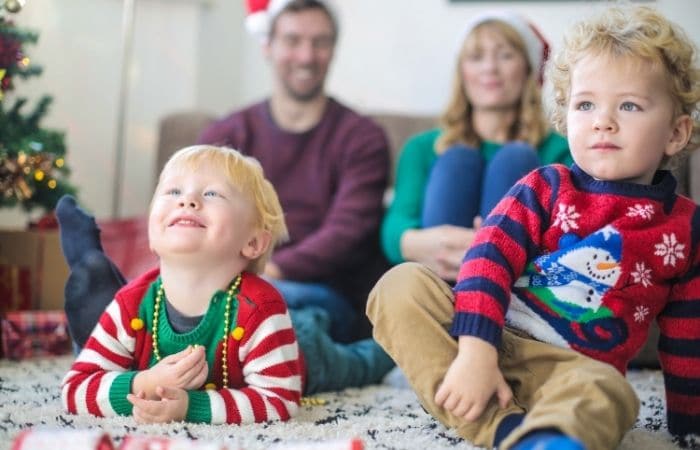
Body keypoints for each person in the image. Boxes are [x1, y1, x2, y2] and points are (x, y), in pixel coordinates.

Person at [367, 5, 700, 450]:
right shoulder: (545, 185)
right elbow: (487, 257)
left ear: (677, 133)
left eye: (629, 105)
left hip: (572, 369)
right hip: (486, 335)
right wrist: (476, 350)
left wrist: (688, 425)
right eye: (586, 104)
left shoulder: (685, 228)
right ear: (567, 117)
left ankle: (528, 436)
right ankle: (502, 422)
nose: (603, 120)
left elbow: (689, 330)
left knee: (609, 394)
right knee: (399, 286)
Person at [57, 0, 390, 346]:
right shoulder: (229, 132)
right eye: (293, 41)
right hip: (216, 276)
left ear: (332, 49)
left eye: (319, 42)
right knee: (185, 296)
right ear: (268, 45)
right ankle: (118, 314)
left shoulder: (362, 138)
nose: (306, 55)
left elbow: (349, 232)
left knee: (268, 313)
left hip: (320, 291)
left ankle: (120, 332)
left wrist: (266, 269)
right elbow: (189, 209)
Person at [61, 145, 394, 425]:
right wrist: (144, 382)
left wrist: (190, 408)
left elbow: (279, 400)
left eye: (211, 194)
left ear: (253, 242)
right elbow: (74, 389)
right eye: (173, 191)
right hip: (253, 342)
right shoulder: (131, 303)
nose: (187, 200)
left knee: (357, 363)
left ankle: (391, 345)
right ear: (151, 231)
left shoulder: (260, 309)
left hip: (300, 350)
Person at [381, 10, 571, 281]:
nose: (489, 68)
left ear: (528, 69)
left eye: (505, 55)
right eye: (476, 57)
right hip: (440, 275)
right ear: (462, 71)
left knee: (515, 158)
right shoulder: (422, 148)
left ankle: (489, 298)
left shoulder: (560, 150)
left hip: (517, 283)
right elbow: (395, 228)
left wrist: (494, 247)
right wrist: (441, 242)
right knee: (457, 159)